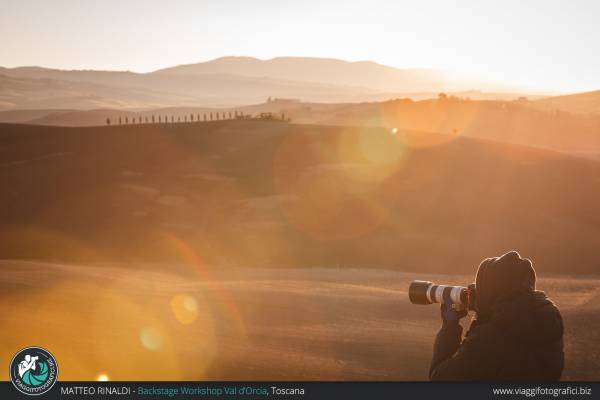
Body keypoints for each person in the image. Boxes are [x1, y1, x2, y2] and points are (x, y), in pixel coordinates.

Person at [430, 251, 564, 380]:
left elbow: (439, 378)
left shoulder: (488, 340)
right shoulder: (545, 321)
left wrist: (449, 327)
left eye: (482, 286)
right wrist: (484, 314)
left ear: (493, 291)